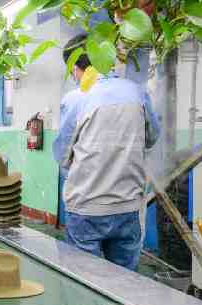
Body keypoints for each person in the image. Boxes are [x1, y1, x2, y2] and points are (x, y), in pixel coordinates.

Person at [53, 38, 159, 272]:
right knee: (124, 285)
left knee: (83, 285)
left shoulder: (77, 98)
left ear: (74, 68)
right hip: (127, 206)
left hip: (86, 208)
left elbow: (62, 154)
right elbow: (152, 138)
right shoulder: (137, 92)